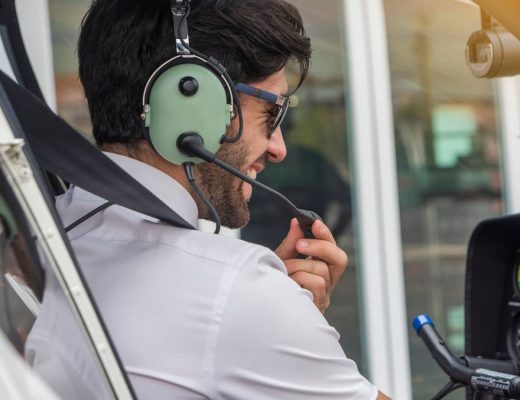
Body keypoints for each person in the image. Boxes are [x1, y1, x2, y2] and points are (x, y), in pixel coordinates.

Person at [26, 0, 390, 399]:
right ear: (189, 103)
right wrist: (286, 316)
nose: (279, 148)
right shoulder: (234, 291)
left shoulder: (34, 242)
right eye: (271, 114)